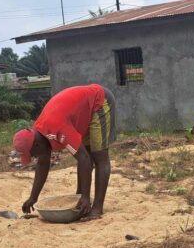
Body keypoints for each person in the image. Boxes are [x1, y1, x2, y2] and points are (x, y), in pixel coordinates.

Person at [12, 83, 116, 221]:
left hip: (99, 101)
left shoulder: (57, 128)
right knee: (85, 153)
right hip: (81, 112)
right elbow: (43, 164)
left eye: (33, 154)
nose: (36, 157)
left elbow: (84, 159)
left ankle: (96, 208)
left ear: (36, 145)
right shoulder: (40, 133)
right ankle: (80, 199)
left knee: (98, 155)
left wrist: (85, 196)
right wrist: (33, 197)